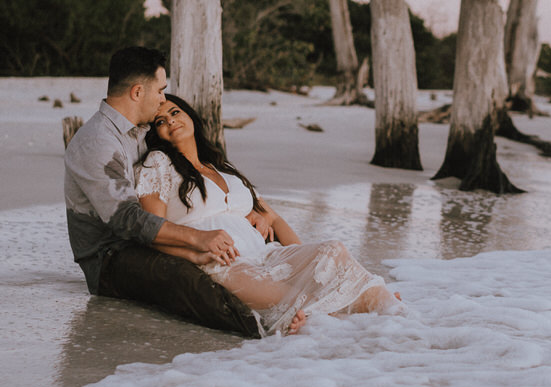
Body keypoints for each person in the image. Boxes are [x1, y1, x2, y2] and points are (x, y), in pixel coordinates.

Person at [136, 93, 401, 335]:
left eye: (175, 112)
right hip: (225, 263)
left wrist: (308, 264)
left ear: (189, 116)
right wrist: (194, 248)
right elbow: (153, 230)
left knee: (333, 251)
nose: (170, 121)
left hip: (266, 255)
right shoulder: (159, 163)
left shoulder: (221, 167)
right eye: (160, 121)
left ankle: (398, 321)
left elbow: (271, 218)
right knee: (296, 303)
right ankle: (361, 319)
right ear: (156, 133)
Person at [63, 46, 260, 336]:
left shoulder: (141, 131)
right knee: (183, 276)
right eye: (160, 90)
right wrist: (196, 239)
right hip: (111, 256)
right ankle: (263, 332)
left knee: (215, 259)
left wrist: (254, 210)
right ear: (138, 92)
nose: (163, 99)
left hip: (145, 236)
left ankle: (284, 306)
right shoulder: (97, 142)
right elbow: (126, 220)